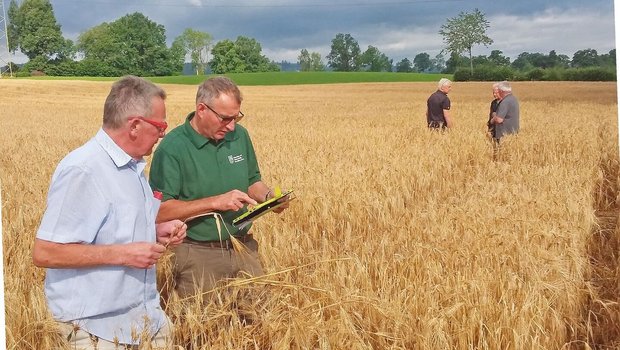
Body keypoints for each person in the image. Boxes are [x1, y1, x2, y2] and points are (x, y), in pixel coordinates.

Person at [32, 75, 187, 349]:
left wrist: (155, 231)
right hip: (94, 329)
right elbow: (46, 252)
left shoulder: (133, 166)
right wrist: (125, 254)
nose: (163, 135)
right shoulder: (84, 170)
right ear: (135, 125)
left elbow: (116, 228)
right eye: (160, 126)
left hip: (142, 318)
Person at [148, 76, 288, 299]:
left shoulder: (239, 136)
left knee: (259, 322)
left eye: (236, 117)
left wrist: (269, 197)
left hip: (244, 248)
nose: (231, 126)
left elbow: (253, 181)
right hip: (198, 254)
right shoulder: (173, 148)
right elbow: (159, 211)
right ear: (201, 109)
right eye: (225, 118)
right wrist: (215, 202)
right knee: (204, 329)